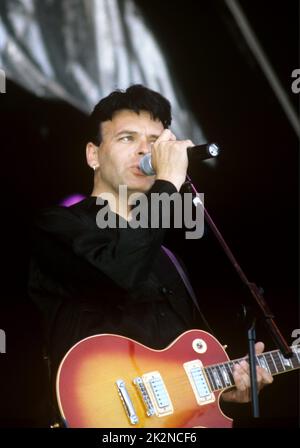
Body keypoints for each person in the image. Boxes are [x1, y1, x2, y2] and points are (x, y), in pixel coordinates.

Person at [28, 84, 272, 425]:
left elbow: (179, 368)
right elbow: (118, 275)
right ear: (93, 155)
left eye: (156, 142)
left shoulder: (167, 258)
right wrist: (168, 185)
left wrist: (224, 390)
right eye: (127, 138)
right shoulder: (57, 225)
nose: (146, 150)